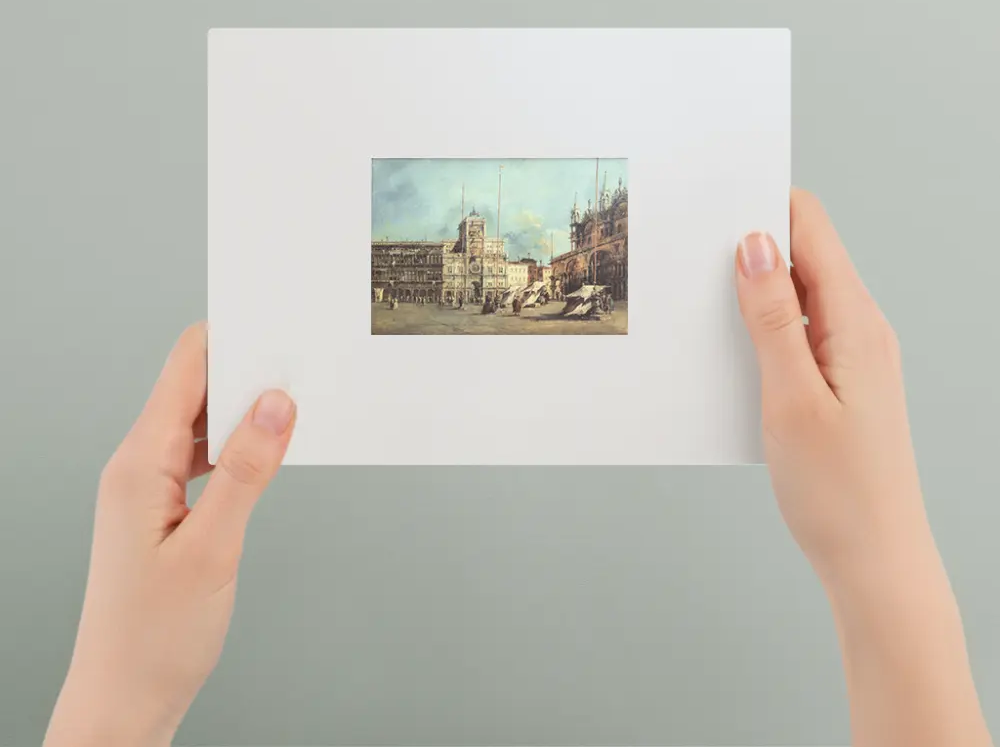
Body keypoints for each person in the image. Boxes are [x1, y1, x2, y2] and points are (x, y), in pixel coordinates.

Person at [42, 190, 993, 747]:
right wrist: (885, 565)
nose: (487, 266)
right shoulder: (493, 267)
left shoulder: (547, 266)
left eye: (487, 259)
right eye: (481, 259)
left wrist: (118, 695)